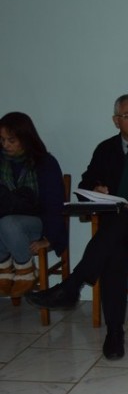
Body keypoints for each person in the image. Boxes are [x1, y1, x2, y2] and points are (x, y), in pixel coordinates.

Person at [26, 94, 128, 360]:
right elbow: (85, 185)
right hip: (117, 233)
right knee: (114, 250)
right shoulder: (105, 149)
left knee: (118, 225)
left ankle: (73, 286)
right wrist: (94, 189)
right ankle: (114, 333)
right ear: (116, 121)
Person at [0, 112, 66, 297]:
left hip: (38, 223)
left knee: (8, 223)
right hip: (4, 222)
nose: (5, 145)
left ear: (25, 138)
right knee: (4, 223)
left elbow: (54, 205)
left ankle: (25, 269)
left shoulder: (45, 163)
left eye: (11, 140)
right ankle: (3, 268)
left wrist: (50, 239)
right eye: (2, 140)